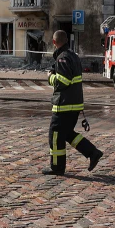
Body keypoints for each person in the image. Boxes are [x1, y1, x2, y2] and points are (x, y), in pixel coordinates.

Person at [43, 30, 104, 175]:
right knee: (67, 134)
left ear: (54, 42)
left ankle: (57, 168)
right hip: (73, 105)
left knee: (56, 135)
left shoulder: (62, 58)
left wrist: (50, 77)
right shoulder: (73, 56)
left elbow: (63, 81)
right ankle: (92, 153)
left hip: (64, 105)